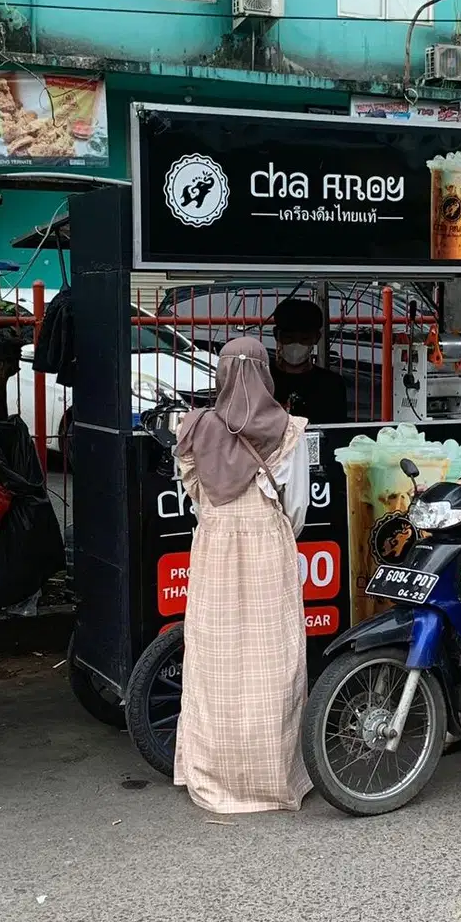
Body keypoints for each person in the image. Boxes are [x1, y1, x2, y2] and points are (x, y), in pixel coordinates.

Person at [173, 336, 313, 813]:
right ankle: (270, 776)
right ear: (266, 373)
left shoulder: (193, 428)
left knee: (214, 662)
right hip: (268, 551)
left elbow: (196, 499)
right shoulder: (289, 431)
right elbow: (297, 507)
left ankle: (212, 772)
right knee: (273, 662)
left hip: (214, 550)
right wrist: (271, 530)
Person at [269, 297, 348, 424]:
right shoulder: (264, 380)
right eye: (289, 338)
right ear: (276, 335)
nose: (296, 344)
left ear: (316, 338)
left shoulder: (331, 385)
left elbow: (335, 430)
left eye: (304, 339)